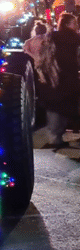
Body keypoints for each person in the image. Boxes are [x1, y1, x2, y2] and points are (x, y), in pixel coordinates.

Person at [37, 13, 80, 149]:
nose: (76, 26)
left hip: (53, 77)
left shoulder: (51, 37)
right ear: (68, 24)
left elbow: (43, 55)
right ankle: (63, 134)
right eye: (74, 23)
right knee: (68, 105)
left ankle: (55, 138)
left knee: (54, 107)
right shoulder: (76, 38)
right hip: (70, 77)